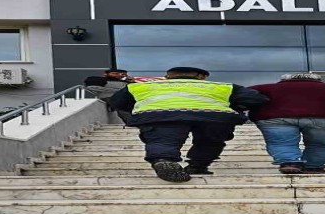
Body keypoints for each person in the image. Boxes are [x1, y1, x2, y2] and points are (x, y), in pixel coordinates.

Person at [109, 66, 269, 182]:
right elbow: (257, 99)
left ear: (167, 76)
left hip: (161, 114)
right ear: (201, 77)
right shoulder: (222, 87)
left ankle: (164, 160)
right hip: (214, 116)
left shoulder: (142, 86)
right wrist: (236, 107)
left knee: (163, 140)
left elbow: (117, 101)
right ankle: (198, 166)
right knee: (210, 141)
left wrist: (140, 109)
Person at [248, 73, 325, 174]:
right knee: (320, 144)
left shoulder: (261, 88)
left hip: (276, 118)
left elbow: (243, 97)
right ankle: (314, 166)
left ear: (282, 80)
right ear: (319, 80)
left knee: (281, 141)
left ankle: (290, 162)